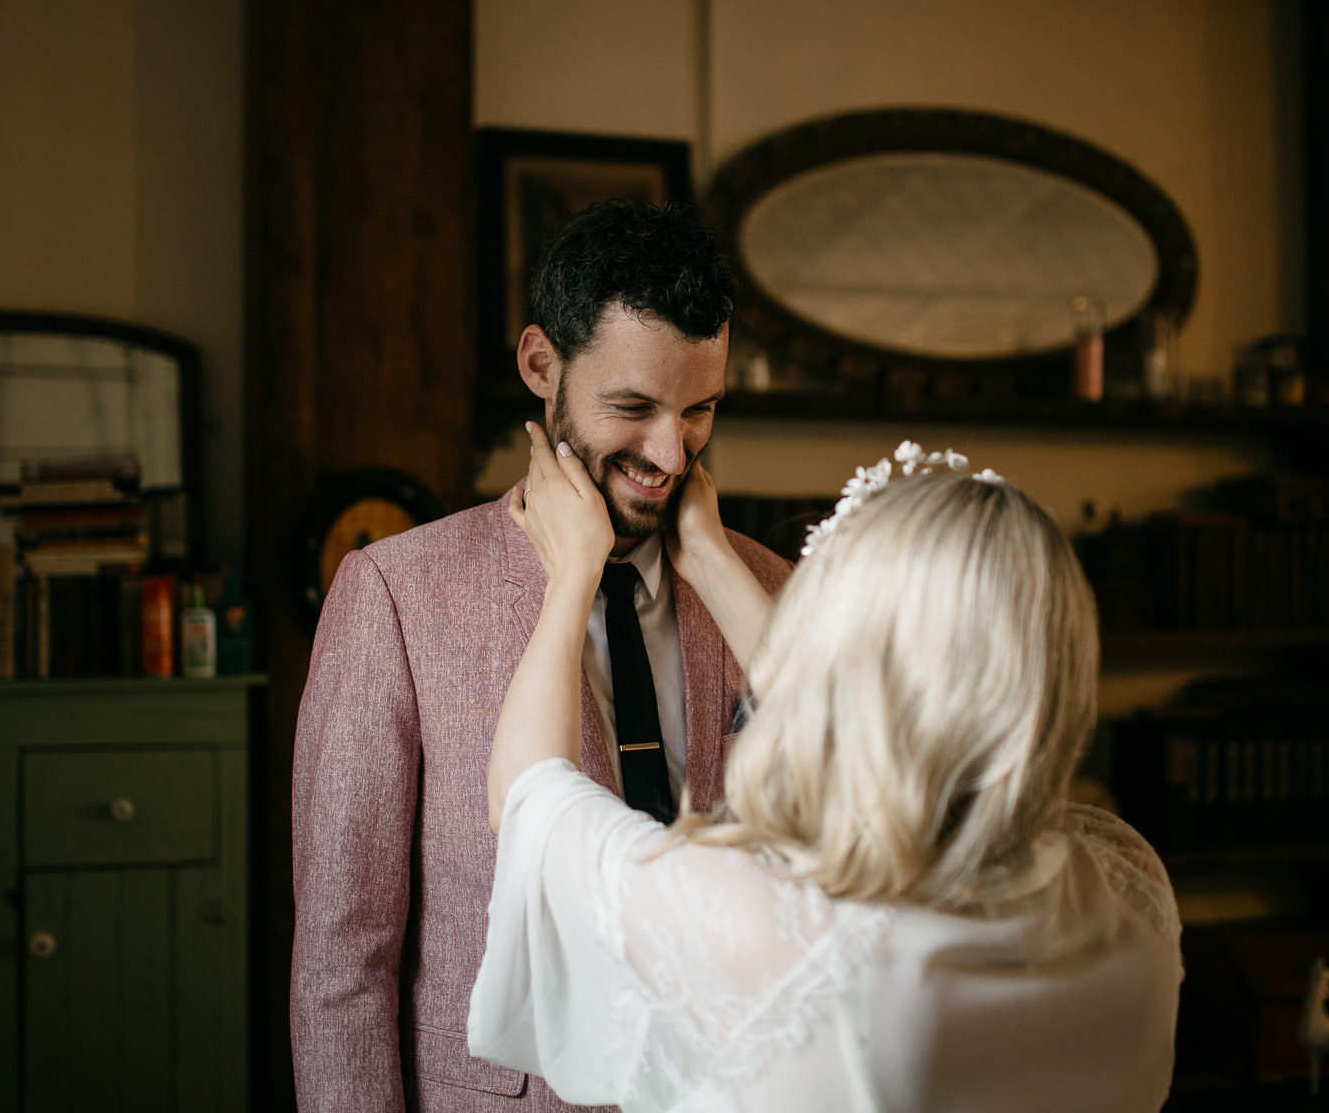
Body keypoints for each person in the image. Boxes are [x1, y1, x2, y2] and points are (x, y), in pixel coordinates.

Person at [469, 435, 1183, 1112]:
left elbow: (528, 796)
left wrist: (572, 573)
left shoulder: (783, 934)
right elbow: (868, 738)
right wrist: (710, 558)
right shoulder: (1130, 881)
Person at [290, 198, 793, 1112]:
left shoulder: (769, 590)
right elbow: (342, 967)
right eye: (632, 408)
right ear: (539, 365)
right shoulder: (395, 597)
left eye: (700, 411)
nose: (669, 453)